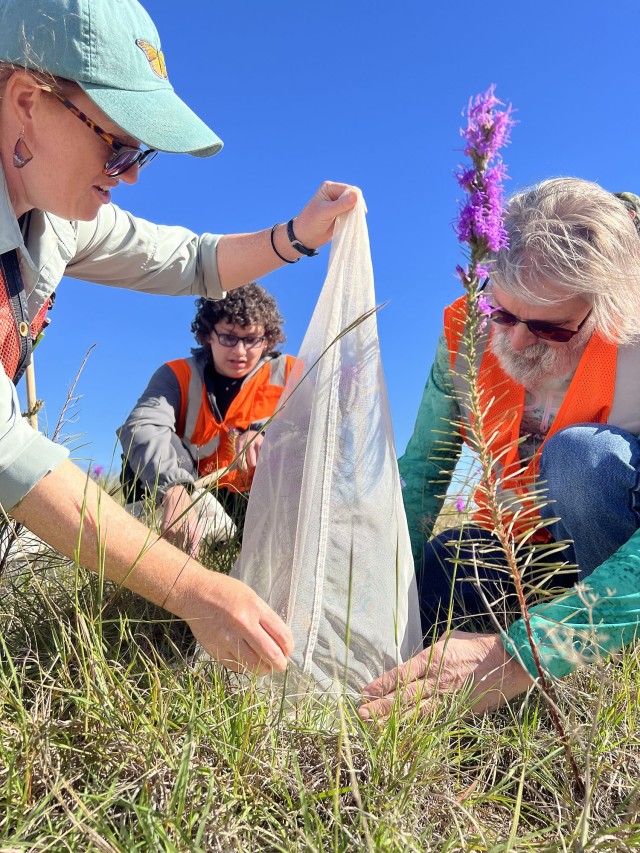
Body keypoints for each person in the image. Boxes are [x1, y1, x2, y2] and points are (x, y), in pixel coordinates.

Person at [0, 0, 358, 675]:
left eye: (144, 151)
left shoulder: (55, 214)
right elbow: (8, 449)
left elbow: (190, 260)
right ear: (26, 99)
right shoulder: (178, 377)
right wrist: (194, 590)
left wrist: (296, 236)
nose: (131, 172)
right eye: (118, 141)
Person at [359, 178, 640, 718]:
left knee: (583, 461)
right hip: (534, 553)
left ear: (609, 306)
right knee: (448, 560)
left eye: (551, 329)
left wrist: (526, 655)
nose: (514, 343)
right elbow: (423, 473)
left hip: (616, 546)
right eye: (502, 314)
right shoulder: (465, 333)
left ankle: (611, 656)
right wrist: (372, 596)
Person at [119, 283, 295, 556]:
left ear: (267, 339)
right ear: (208, 334)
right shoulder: (176, 375)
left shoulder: (293, 372)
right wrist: (174, 489)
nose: (240, 351)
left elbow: (331, 417)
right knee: (137, 458)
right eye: (228, 337)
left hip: (259, 503)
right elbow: (144, 426)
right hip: (192, 490)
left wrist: (264, 433)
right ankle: (147, 548)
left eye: (251, 340)